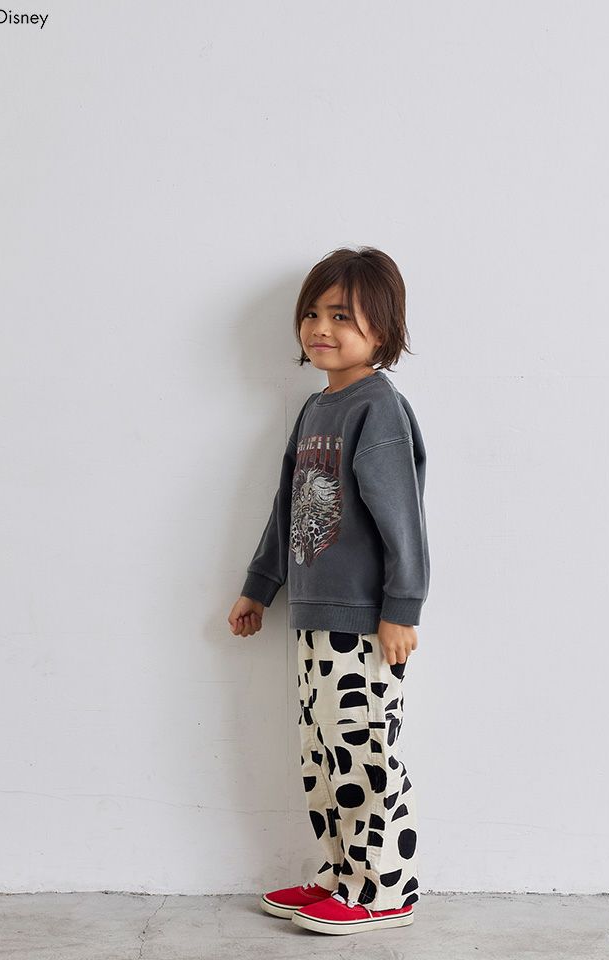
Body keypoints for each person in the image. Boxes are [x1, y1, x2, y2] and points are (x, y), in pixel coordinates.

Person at [228, 246, 430, 936]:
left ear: (384, 327)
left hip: (365, 621)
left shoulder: (379, 409)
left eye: (342, 316)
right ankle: (340, 874)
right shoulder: (318, 406)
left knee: (367, 754)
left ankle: (386, 888)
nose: (321, 327)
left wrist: (401, 608)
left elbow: (403, 519)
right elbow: (288, 506)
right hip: (314, 615)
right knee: (324, 755)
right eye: (313, 313)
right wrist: (260, 586)